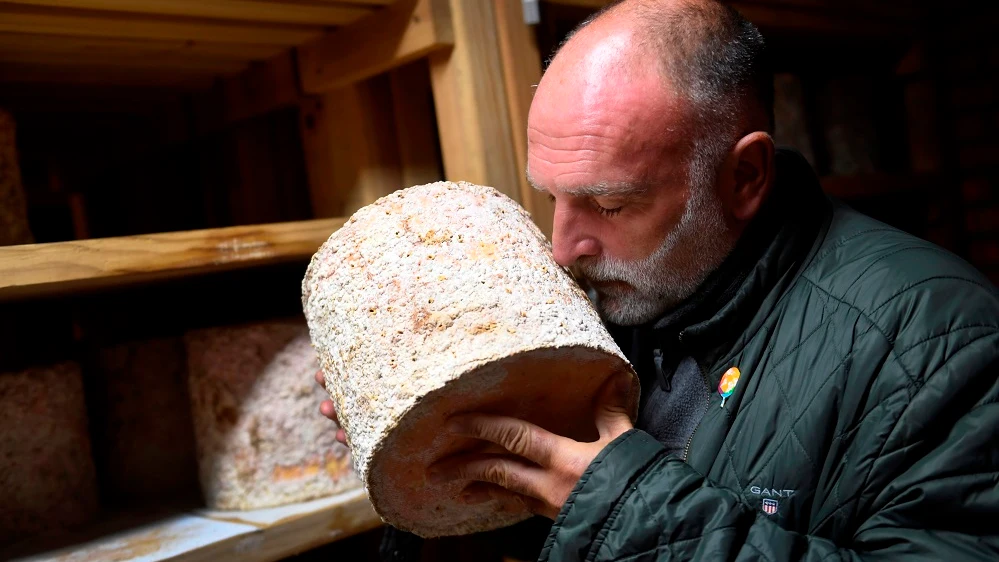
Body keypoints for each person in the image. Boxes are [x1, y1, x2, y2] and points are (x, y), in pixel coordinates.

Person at [317, 0, 999, 559]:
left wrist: (621, 508)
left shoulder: (942, 341)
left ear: (744, 177)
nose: (562, 248)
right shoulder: (601, 298)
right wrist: (440, 453)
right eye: (552, 197)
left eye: (610, 204)